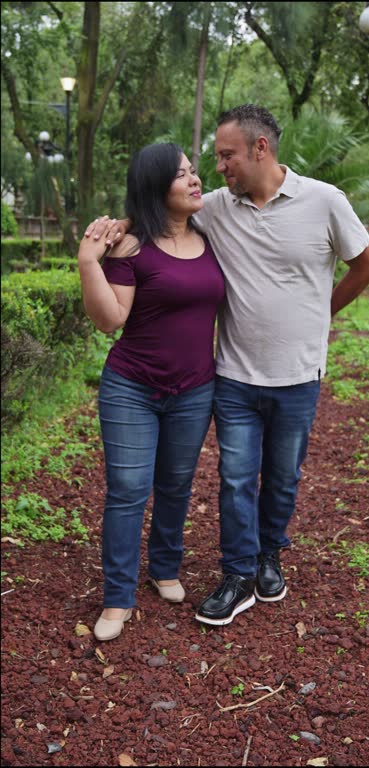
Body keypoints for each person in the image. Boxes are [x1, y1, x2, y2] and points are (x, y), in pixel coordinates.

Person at [85, 104, 369, 628]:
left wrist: (321, 314)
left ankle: (262, 557)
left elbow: (367, 264)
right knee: (231, 478)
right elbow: (156, 211)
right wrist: (111, 236)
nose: (214, 169)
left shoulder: (323, 201)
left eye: (225, 156)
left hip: (284, 375)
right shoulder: (216, 208)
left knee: (278, 478)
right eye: (207, 161)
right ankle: (231, 574)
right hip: (228, 378)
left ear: (259, 149)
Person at [78, 143, 225, 641]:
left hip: (195, 389)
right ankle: (118, 597)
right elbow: (109, 320)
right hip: (132, 389)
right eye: (182, 174)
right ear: (157, 186)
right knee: (127, 492)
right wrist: (87, 261)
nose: (195, 179)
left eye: (194, 171)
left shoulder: (212, 237)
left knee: (177, 483)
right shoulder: (130, 247)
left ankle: (164, 567)